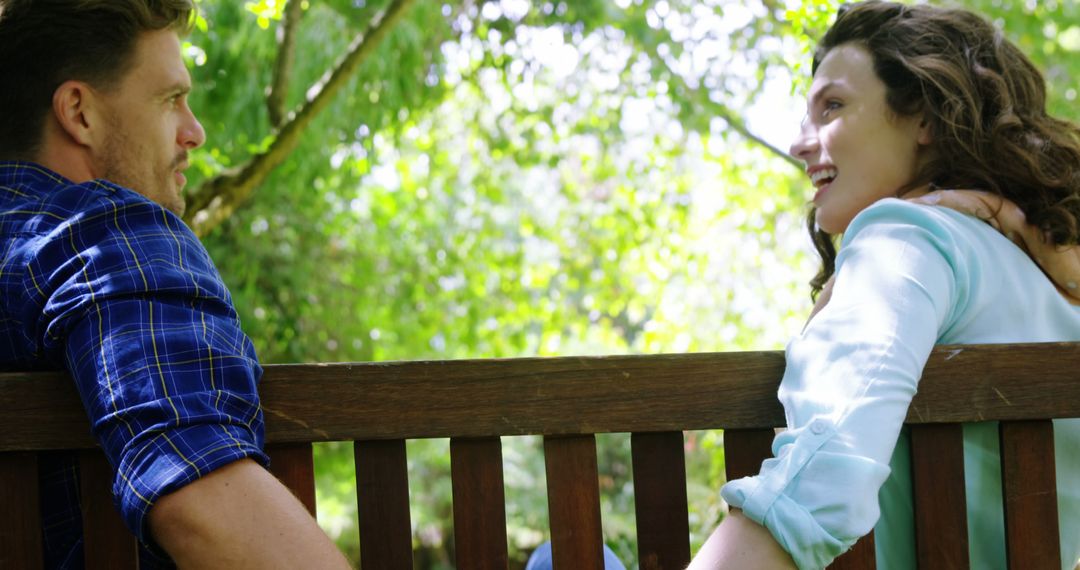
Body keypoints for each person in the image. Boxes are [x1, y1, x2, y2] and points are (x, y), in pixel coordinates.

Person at [687, 1, 1080, 569]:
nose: (799, 144)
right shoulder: (1049, 278)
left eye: (833, 106)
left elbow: (822, 483)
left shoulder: (905, 240)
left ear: (925, 119)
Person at [0, 1, 349, 567]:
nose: (195, 132)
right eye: (170, 99)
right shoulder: (103, 233)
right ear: (79, 113)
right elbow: (198, 496)